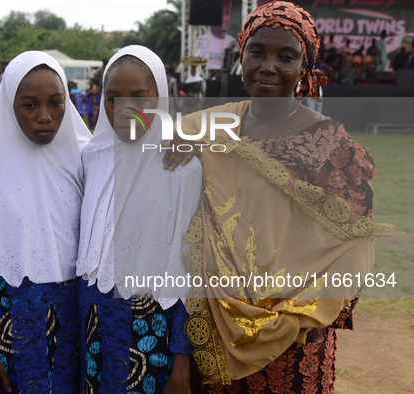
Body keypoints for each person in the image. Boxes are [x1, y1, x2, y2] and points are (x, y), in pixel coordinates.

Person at [175, 2, 400, 392]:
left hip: (293, 342)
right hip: (214, 333)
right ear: (240, 55)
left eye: (287, 56)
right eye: (257, 51)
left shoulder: (330, 147)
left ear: (305, 69)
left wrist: (302, 318)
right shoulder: (208, 126)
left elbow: (355, 246)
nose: (268, 66)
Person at [0, 51, 91, 393]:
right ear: (8, 104)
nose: (44, 116)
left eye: (56, 103)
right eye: (29, 105)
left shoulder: (85, 155)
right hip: (8, 317)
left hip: (74, 319)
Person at [76, 45, 202, 394]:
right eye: (113, 97)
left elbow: (190, 269)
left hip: (151, 327)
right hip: (94, 320)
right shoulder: (93, 157)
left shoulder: (182, 166)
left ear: (160, 98)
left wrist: (181, 363)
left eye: (140, 97)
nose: (125, 109)